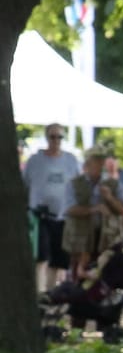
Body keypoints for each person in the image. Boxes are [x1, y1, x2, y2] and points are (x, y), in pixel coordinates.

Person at [22, 124, 82, 292]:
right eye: (52, 137)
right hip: (39, 215)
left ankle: (51, 293)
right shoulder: (34, 161)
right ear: (47, 138)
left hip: (63, 216)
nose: (56, 141)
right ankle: (38, 292)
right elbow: (24, 185)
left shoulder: (71, 161)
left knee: (58, 260)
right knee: (41, 257)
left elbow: (78, 187)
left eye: (59, 137)